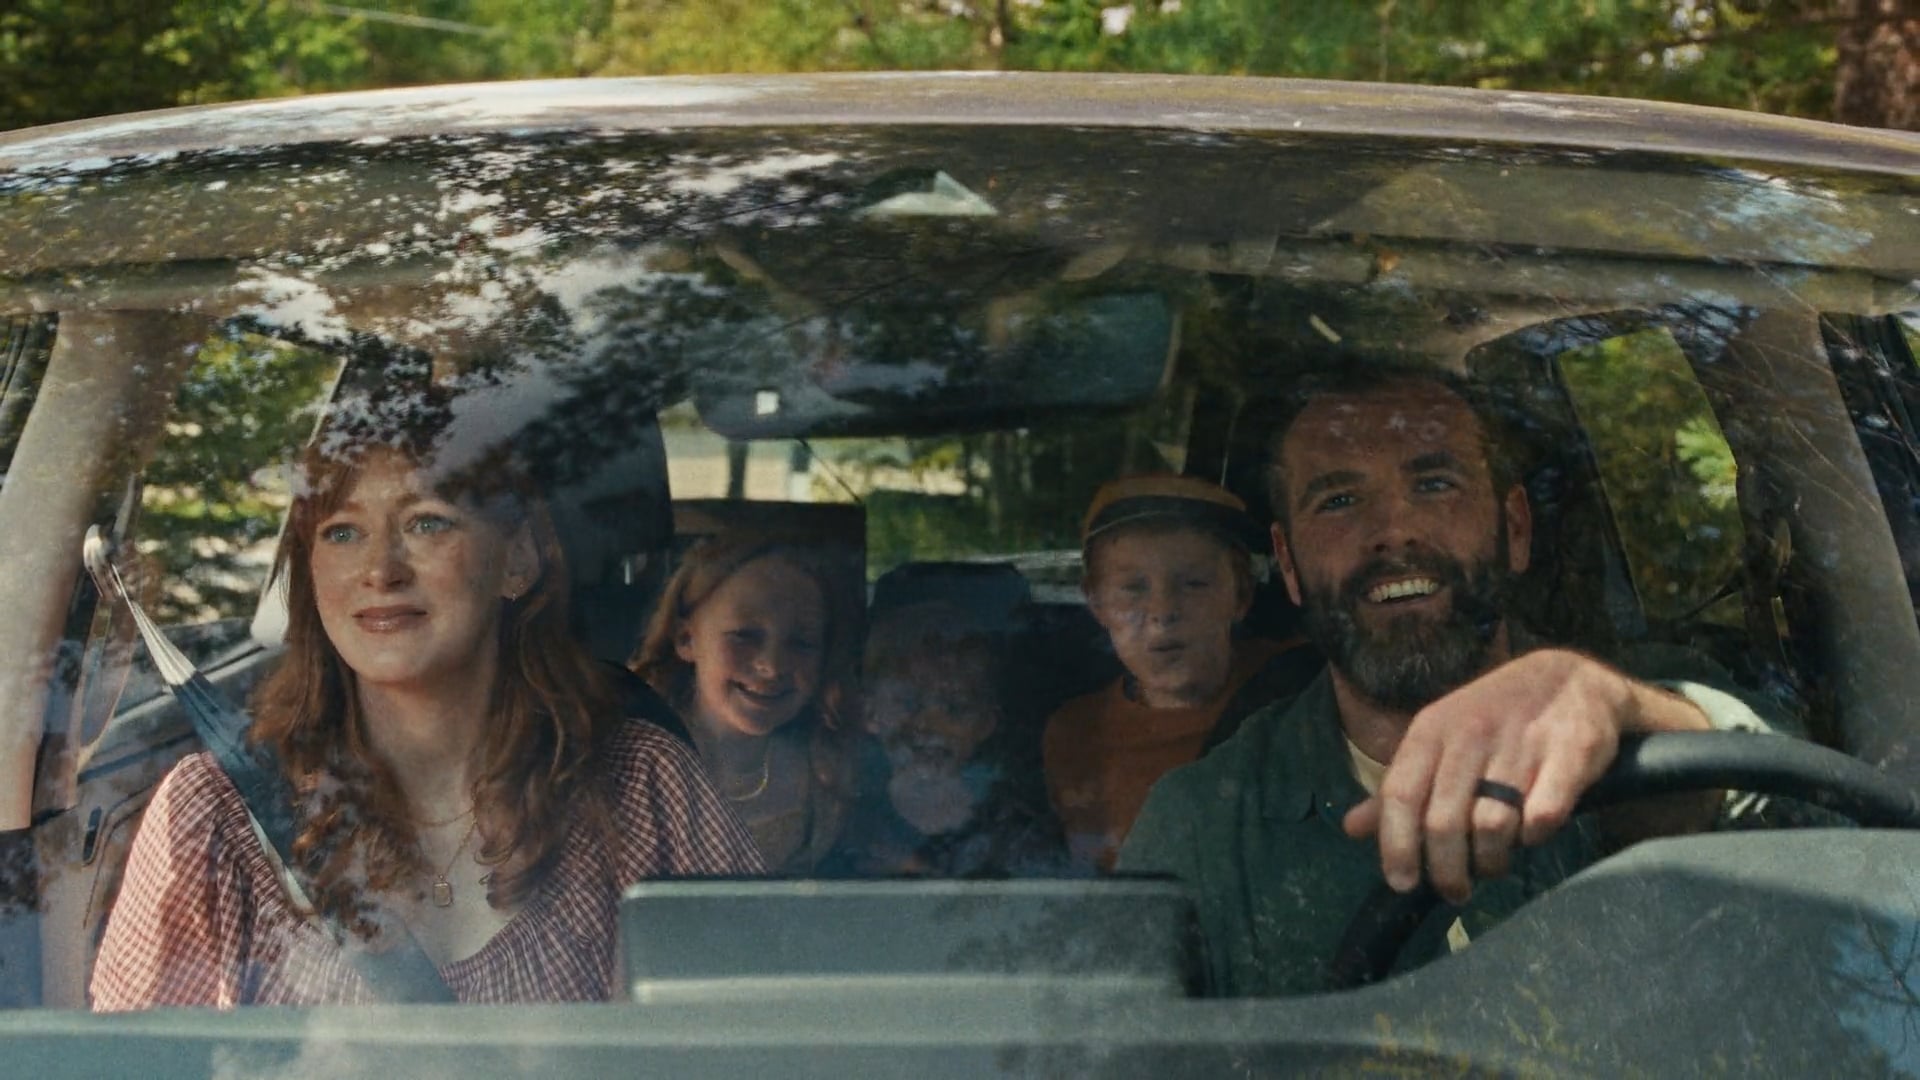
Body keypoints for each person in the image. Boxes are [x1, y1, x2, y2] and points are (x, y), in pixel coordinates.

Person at [1118, 363, 1788, 997]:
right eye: (1340, 500)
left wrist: (1627, 722)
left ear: (1515, 528)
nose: (1394, 531)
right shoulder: (1202, 827)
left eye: (1435, 484)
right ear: (1288, 565)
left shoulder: (1641, 703)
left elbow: (1816, 827)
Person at [92, 402, 764, 1009]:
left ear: (517, 560)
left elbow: (747, 1036)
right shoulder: (215, 813)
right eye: (342, 532)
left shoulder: (640, 784)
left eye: (426, 522)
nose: (381, 570)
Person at [1043, 474, 1319, 871]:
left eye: (1194, 583)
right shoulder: (1076, 733)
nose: (1163, 612)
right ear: (1097, 602)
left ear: (1241, 593)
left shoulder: (1311, 688)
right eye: (1133, 588)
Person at [630, 532, 864, 874]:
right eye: (745, 636)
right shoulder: (627, 762)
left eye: (801, 643)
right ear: (686, 639)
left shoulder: (830, 769)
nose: (772, 666)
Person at [836, 601, 1067, 878]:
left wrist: (919, 870)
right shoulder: (847, 818)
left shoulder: (1010, 824)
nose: (929, 725)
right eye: (909, 703)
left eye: (955, 708)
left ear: (985, 724)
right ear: (869, 712)